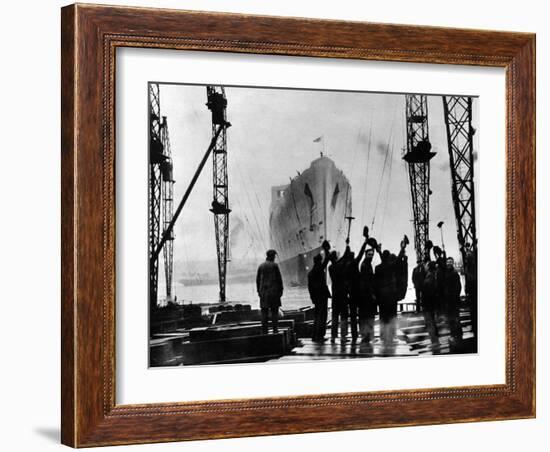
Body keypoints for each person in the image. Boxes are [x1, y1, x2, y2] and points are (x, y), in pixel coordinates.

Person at [307, 240, 332, 342]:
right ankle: (319, 335)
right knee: (322, 315)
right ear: (319, 261)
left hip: (315, 297)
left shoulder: (310, 273)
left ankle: (315, 335)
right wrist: (326, 250)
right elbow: (327, 260)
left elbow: (309, 287)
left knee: (317, 315)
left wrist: (312, 297)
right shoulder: (319, 269)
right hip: (322, 295)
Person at [256, 249, 284, 334]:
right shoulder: (274, 266)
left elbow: (257, 281)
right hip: (274, 293)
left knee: (264, 312)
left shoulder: (261, 266)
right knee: (274, 312)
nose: (275, 258)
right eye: (274, 256)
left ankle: (265, 330)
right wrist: (281, 290)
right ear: (272, 256)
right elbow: (279, 280)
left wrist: (259, 292)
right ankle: (275, 330)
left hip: (264, 293)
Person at [328, 249, 349, 343]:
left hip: (335, 294)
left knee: (334, 316)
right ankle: (343, 337)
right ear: (336, 257)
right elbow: (344, 258)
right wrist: (347, 246)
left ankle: (333, 337)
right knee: (344, 316)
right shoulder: (340, 266)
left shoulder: (330, 267)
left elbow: (341, 260)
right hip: (342, 294)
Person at [440, 256, 463, 342]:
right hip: (448, 300)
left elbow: (458, 287)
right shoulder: (446, 273)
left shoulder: (454, 273)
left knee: (455, 318)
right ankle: (454, 335)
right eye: (448, 262)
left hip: (453, 300)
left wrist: (454, 297)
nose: (449, 263)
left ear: (452, 263)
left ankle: (458, 335)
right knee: (451, 319)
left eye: (450, 262)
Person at [358, 246, 377, 343]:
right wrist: (372, 293)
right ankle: (366, 335)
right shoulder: (365, 265)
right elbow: (367, 281)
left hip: (365, 295)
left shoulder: (366, 264)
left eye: (372, 255)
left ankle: (366, 334)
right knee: (367, 316)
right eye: (369, 255)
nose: (371, 256)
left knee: (366, 316)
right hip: (366, 295)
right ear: (365, 255)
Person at [421, 261, 440, 345]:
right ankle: (435, 340)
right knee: (432, 322)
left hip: (428, 305)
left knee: (430, 323)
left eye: (426, 265)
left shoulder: (429, 278)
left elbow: (428, 293)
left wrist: (424, 305)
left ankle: (434, 342)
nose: (424, 266)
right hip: (432, 304)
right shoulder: (432, 276)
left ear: (428, 267)